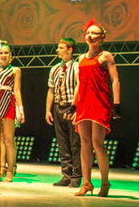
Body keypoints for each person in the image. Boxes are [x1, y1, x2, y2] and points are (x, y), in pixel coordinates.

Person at [71, 20, 120, 197]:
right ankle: (86, 183)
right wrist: (73, 105)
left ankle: (105, 182)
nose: (90, 36)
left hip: (99, 103)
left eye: (94, 33)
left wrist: (116, 104)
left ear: (102, 37)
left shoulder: (106, 56)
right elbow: (79, 83)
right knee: (84, 142)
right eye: (88, 33)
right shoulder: (81, 58)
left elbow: (115, 80)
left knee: (97, 143)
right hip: (84, 104)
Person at [45, 38, 81, 188]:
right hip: (58, 107)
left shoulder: (77, 67)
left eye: (61, 48)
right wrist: (48, 110)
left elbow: (80, 88)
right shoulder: (55, 68)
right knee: (62, 144)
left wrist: (76, 108)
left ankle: (76, 176)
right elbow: (51, 90)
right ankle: (66, 175)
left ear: (70, 50)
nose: (57, 50)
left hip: (72, 107)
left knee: (75, 144)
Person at [0, 41, 25, 182]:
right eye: (1, 53)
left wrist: (20, 109)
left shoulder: (15, 70)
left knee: (8, 139)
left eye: (6, 53)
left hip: (8, 103)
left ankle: (10, 170)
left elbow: (17, 90)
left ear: (10, 56)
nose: (3, 55)